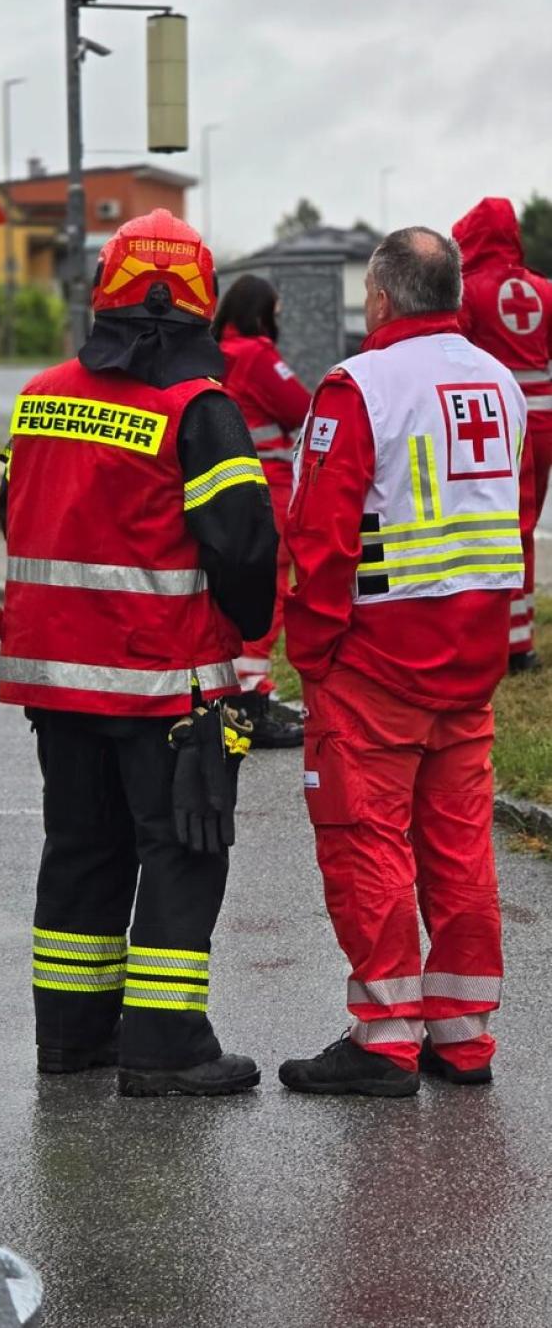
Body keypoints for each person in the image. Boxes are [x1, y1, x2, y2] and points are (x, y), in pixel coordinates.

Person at [0, 209, 278, 1098]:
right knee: (183, 850)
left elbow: (13, 511)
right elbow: (242, 546)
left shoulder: (41, 393)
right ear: (197, 304)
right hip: (165, 683)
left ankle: (73, 1039)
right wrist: (247, 631)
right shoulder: (199, 408)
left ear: (105, 292)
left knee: (82, 849)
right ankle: (165, 1047)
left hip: (56, 680)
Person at [279, 227, 526, 1099]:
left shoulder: (359, 388)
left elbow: (321, 536)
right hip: (474, 661)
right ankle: (462, 1038)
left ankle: (384, 1037)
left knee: (366, 839)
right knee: (461, 849)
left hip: (376, 661)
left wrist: (310, 654)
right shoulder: (500, 382)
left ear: (379, 298)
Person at [452, 197, 552, 672]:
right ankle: (521, 641)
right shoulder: (543, 290)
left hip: (495, 423)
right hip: (544, 422)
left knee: (488, 526)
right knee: (525, 527)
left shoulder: (469, 290)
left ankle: (487, 636)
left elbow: (454, 351)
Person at [213, 274, 312, 747]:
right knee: (266, 597)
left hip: (222, 494)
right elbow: (302, 408)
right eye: (276, 310)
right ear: (260, 312)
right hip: (265, 491)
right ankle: (249, 705)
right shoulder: (255, 355)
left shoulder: (211, 354)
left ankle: (230, 697)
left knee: (227, 597)